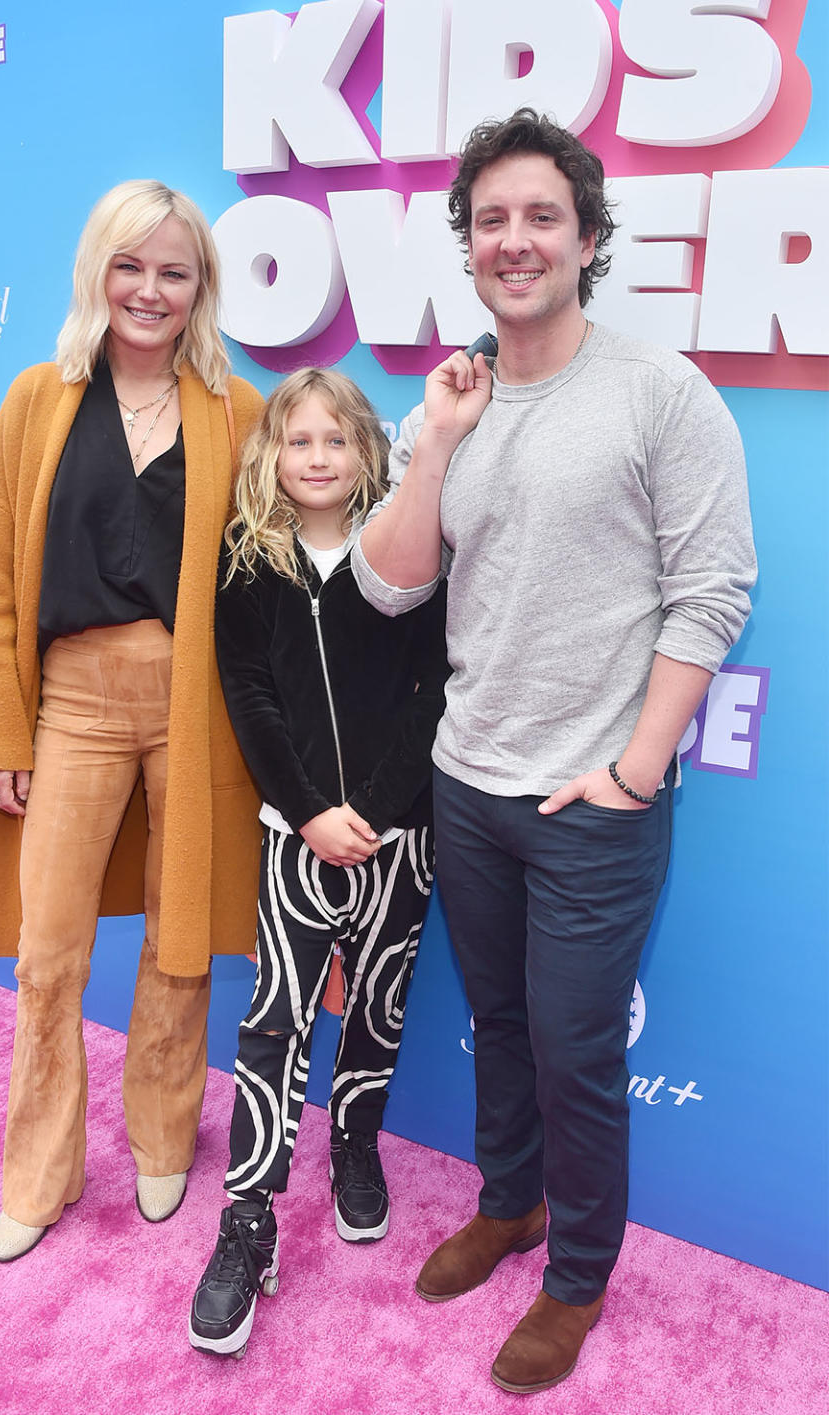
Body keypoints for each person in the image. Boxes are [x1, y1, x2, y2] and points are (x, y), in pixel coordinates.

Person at [352, 109, 756, 1394]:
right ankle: (509, 1201)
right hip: (469, 782)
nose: (515, 241)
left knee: (578, 1047)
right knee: (504, 1023)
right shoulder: (457, 397)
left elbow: (711, 592)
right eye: (491, 221)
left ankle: (577, 1272)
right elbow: (395, 586)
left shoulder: (657, 388)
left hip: (594, 797)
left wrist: (634, 771)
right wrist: (435, 444)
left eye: (542, 218)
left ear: (588, 239)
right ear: (465, 247)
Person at [0, 180, 264, 1263]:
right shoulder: (38, 399)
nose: (150, 288)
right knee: (48, 953)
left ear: (200, 288)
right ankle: (38, 1171)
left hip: (197, 707)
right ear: (98, 271)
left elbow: (272, 582)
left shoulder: (240, 411)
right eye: (131, 265)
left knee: (180, 943)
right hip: (70, 706)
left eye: (174, 271)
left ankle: (164, 1135)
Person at [187, 368, 449, 1358]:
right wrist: (308, 812)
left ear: (366, 450)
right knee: (274, 1021)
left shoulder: (409, 551)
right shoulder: (248, 558)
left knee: (377, 1007)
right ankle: (247, 1217)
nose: (318, 459)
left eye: (336, 441)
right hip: (293, 833)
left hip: (397, 834)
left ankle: (354, 1141)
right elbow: (247, 691)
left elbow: (436, 683)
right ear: (274, 455)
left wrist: (373, 810)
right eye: (299, 442)